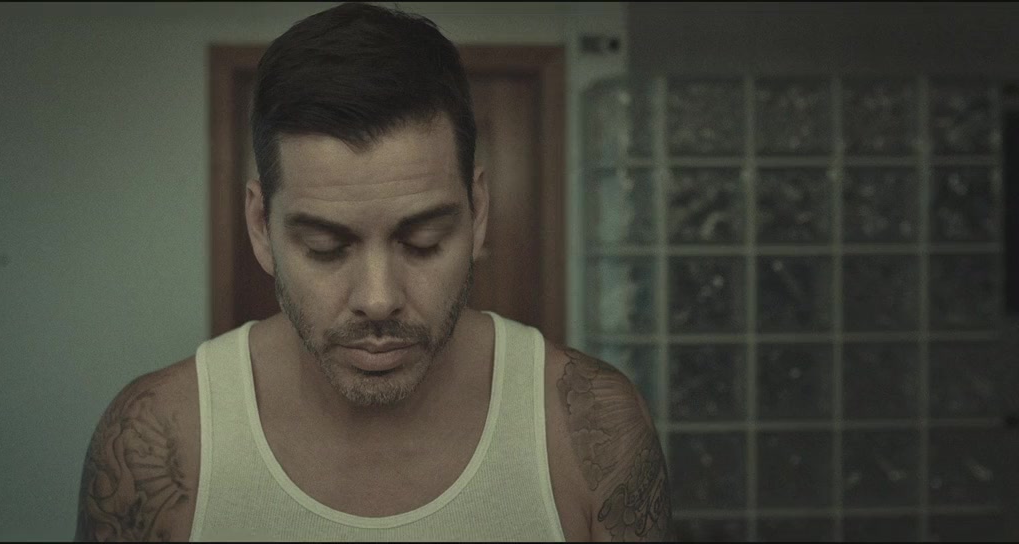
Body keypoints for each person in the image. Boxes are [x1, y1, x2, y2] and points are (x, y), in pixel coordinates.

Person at [74, 2, 672, 541]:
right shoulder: (160, 439)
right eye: (326, 248)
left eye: (423, 242)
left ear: (478, 213)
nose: (379, 299)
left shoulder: (590, 429)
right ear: (260, 225)